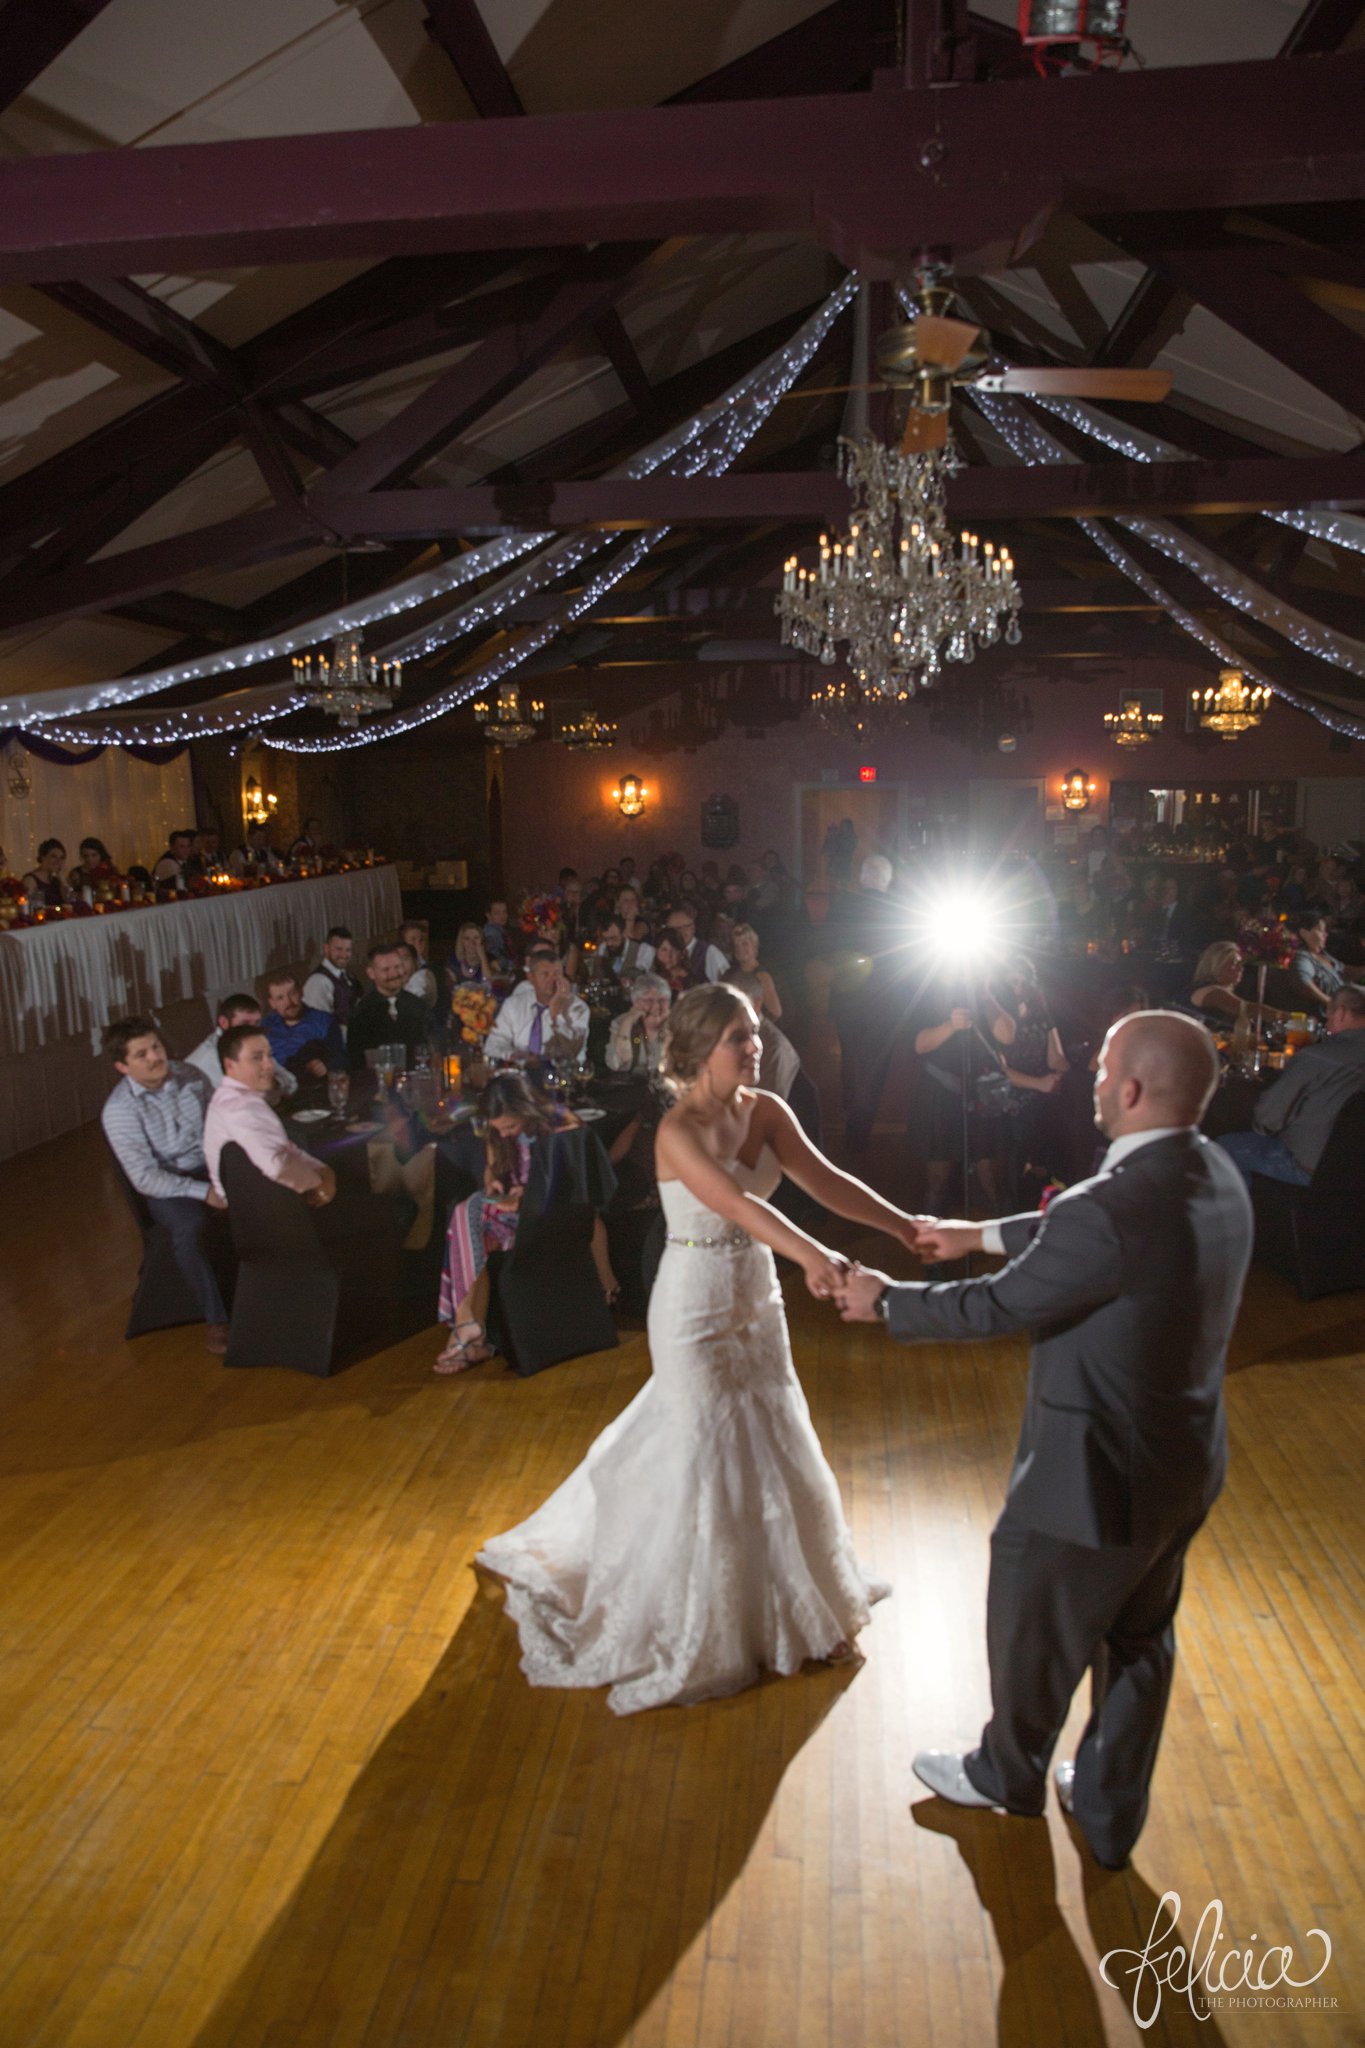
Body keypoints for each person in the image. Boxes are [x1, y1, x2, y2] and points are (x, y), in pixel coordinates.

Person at [837, 1011, 1252, 1870]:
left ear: (1129, 1089)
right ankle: (1105, 1810)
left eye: (1101, 1066)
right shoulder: (1214, 1173)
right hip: (1181, 1469)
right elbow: (1086, 1231)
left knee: (1030, 1622)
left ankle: (1007, 1774)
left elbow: (1002, 1303)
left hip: (1091, 1477)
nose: (1092, 1078)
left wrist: (886, 1301)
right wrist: (977, 1234)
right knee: (1139, 1641)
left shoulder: (1109, 1208)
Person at [476, 983, 928, 1715]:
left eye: (753, 1033)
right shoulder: (675, 1131)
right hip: (691, 1300)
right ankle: (706, 1624)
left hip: (754, 1295)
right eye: (737, 1040)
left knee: (774, 1435)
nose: (753, 1048)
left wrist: (902, 1225)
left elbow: (827, 1182)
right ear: (695, 1050)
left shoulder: (769, 1111)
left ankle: (796, 1607)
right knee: (701, 1444)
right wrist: (816, 1260)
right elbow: (739, 1205)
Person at [435, 1072, 615, 1372]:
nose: (505, 1134)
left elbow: (571, 1181)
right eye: (499, 1128)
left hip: (547, 1213)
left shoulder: (559, 1126)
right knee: (467, 1214)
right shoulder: (498, 1134)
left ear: (525, 1110)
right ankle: (472, 1325)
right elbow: (492, 1173)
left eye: (510, 1126)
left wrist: (530, 1194)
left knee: (467, 1215)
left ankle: (469, 1326)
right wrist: (494, 1183)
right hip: (513, 1208)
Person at [99, 1016, 229, 1351]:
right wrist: (204, 1193)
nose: (155, 1057)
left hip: (211, 1164)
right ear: (122, 1066)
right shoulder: (119, 1111)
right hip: (167, 1184)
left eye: (156, 1047)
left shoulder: (191, 1075)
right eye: (141, 1054)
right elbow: (145, 1178)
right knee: (190, 1229)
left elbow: (223, 1121)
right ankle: (217, 1320)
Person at [1218, 983, 1365, 1186]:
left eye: (1329, 1014)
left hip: (1314, 1168)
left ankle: (1237, 1216)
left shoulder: (1319, 1056)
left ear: (1341, 1013)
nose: (1327, 1022)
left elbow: (1269, 1118)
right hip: (1356, 1167)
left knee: (1224, 1149)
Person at [204, 1024, 335, 1205]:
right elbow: (277, 1166)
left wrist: (321, 1169)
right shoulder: (240, 1108)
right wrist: (320, 1185)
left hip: (269, 1199)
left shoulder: (234, 1098)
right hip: (268, 1212)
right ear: (230, 1064)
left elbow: (285, 1149)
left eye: (269, 1055)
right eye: (257, 1058)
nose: (269, 1065)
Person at [186, 992, 297, 1103]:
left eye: (257, 1023)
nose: (252, 1030)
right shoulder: (207, 1059)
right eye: (245, 1024)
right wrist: (272, 1086)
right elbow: (244, 1101)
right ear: (223, 1022)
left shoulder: (252, 1045)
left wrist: (275, 1084)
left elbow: (291, 1082)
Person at [484, 946, 589, 1063]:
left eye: (557, 974)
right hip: (520, 1072)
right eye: (545, 974)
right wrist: (515, 1056)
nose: (552, 980)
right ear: (531, 978)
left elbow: (570, 1053)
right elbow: (493, 1044)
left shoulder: (578, 1008)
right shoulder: (514, 1004)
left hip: (563, 1074)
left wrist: (555, 1014)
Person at [346, 939, 435, 1071]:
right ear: (371, 973)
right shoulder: (361, 1013)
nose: (394, 974)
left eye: (397, 967)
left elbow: (431, 1050)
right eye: (386, 969)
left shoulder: (418, 1007)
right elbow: (356, 1063)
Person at [260, 974, 343, 1089]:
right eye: (280, 998)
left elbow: (341, 1057)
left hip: (312, 1087)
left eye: (293, 993)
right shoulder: (265, 1026)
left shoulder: (323, 1021)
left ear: (301, 992)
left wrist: (326, 1066)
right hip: (277, 1089)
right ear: (272, 1003)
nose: (289, 1002)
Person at [1188, 940, 1286, 1027]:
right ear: (1217, 964)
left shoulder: (1221, 989)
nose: (1241, 969)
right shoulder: (1213, 991)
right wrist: (1291, 1017)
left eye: (1241, 964)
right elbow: (1249, 1009)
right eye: (1234, 963)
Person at [604, 972, 671, 1075]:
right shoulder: (621, 1023)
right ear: (635, 1002)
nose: (656, 1006)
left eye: (662, 1000)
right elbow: (616, 1063)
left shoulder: (677, 1024)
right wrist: (628, 1022)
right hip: (634, 1086)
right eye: (648, 1000)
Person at [302, 927, 362, 1036]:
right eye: (339, 949)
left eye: (348, 950)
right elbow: (319, 1025)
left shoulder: (349, 976)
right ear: (326, 949)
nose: (344, 955)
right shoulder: (318, 981)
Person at [1290, 914, 1347, 1012]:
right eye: (1321, 931)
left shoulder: (1325, 955)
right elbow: (1305, 984)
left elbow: (1347, 972)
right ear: (1304, 933)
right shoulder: (1301, 957)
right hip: (1325, 1015)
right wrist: (1333, 1004)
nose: (1326, 934)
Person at [663, 905, 729, 985]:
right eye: (675, 929)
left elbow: (725, 985)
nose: (680, 933)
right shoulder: (663, 953)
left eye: (685, 927)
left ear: (693, 928)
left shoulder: (709, 952)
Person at [22, 838, 71, 908]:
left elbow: (69, 901)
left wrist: (62, 879)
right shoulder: (31, 880)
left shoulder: (56, 879)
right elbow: (29, 906)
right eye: (53, 856)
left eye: (61, 858)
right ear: (43, 857)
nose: (58, 861)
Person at [400, 922, 439, 1010]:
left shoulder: (431, 968)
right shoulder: (395, 968)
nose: (418, 943)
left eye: (421, 939)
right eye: (413, 939)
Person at [447, 921, 493, 987]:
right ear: (461, 941)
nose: (472, 942)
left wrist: (483, 958)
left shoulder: (491, 959)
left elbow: (489, 984)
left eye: (476, 938)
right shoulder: (453, 960)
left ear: (482, 940)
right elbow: (449, 987)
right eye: (467, 938)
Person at [483, 899, 515, 974]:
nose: (502, 916)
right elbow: (494, 956)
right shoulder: (492, 933)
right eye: (497, 913)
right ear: (488, 915)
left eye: (504, 912)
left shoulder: (499, 930)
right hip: (499, 971)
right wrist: (510, 965)